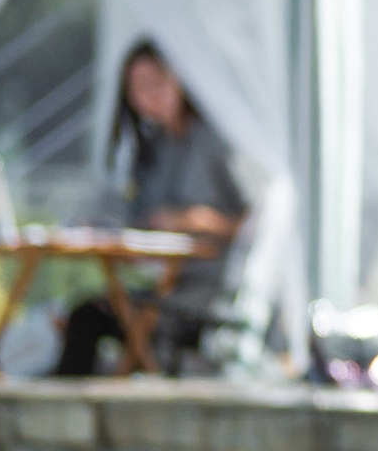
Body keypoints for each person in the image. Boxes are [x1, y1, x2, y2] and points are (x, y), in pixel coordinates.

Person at [56, 41, 248, 377]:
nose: (147, 98)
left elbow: (260, 221)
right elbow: (141, 229)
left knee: (93, 321)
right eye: (136, 89)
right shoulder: (152, 150)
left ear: (180, 81)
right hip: (160, 288)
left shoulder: (215, 141)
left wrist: (199, 220)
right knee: (80, 316)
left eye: (155, 84)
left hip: (205, 297)